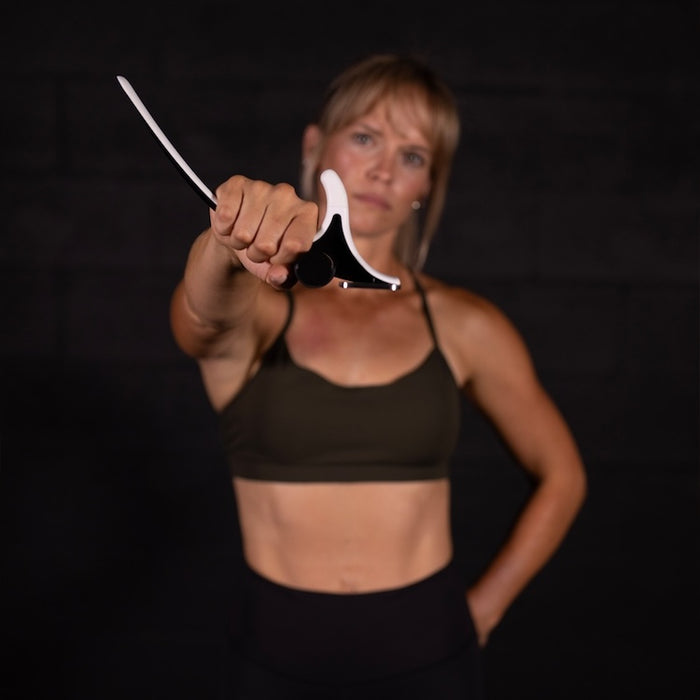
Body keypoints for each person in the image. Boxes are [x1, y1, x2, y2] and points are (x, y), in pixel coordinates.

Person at [169, 52, 587, 699]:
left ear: (427, 185)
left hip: (432, 659)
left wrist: (483, 611)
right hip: (272, 660)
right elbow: (200, 317)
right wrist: (225, 244)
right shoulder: (258, 311)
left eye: (412, 155)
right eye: (365, 137)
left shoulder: (464, 323)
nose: (384, 170)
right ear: (315, 145)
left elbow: (563, 475)